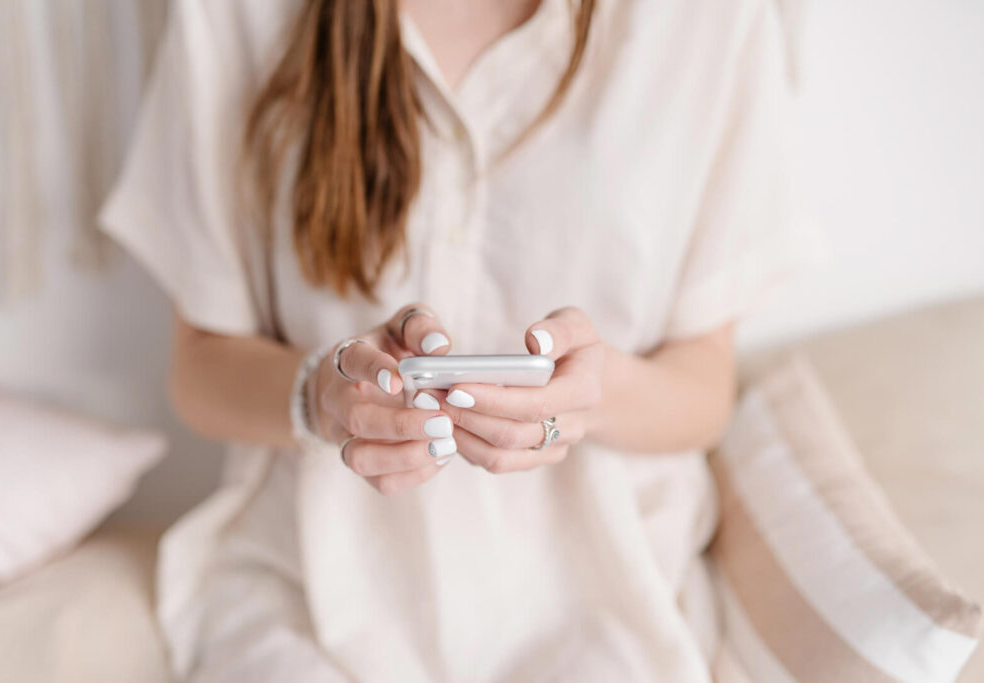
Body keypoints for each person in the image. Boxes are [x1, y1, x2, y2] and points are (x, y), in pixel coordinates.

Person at [100, 0, 814, 679]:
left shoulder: (705, 25)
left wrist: (591, 397)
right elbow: (200, 367)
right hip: (308, 591)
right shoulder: (236, 16)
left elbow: (704, 386)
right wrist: (321, 394)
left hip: (601, 602)